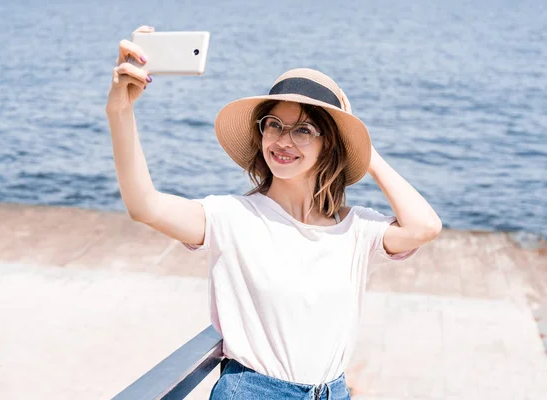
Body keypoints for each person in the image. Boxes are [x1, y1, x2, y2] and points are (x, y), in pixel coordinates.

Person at [106, 25, 442, 400]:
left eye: (303, 130)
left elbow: (425, 226)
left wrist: (364, 149)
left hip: (332, 392)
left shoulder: (355, 228)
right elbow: (144, 205)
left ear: (328, 144)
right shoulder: (232, 217)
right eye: (274, 125)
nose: (283, 140)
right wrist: (120, 108)